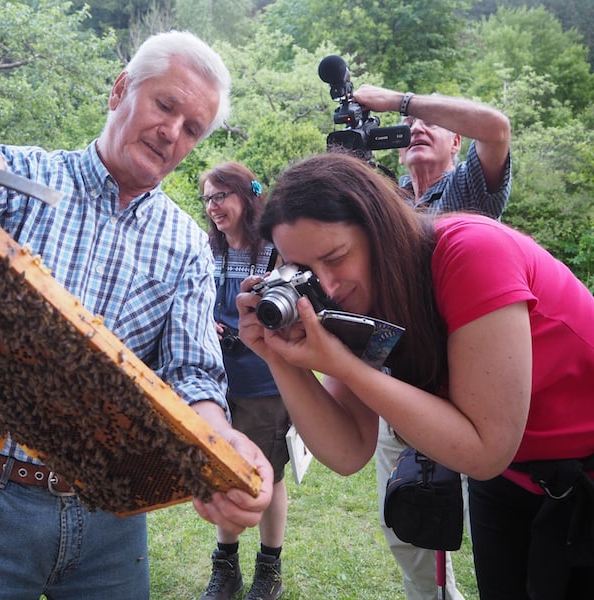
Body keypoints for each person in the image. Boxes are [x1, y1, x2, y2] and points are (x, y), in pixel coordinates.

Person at [0, 30, 273, 600]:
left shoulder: (187, 243)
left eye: (192, 128)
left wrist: (217, 445)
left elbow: (193, 370)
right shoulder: (15, 175)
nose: (173, 132)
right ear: (121, 91)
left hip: (110, 519)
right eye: (165, 105)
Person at [236, 150, 594, 599]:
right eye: (305, 270)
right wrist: (278, 358)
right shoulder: (357, 296)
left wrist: (343, 364)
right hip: (517, 479)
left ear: (379, 228)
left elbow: (486, 449)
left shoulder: (471, 252)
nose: (325, 286)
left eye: (336, 256)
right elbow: (347, 452)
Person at [352, 84, 512, 600]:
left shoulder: (468, 191)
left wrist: (401, 103)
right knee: (405, 525)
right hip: (399, 392)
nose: (418, 130)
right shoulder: (389, 201)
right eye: (410, 131)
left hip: (468, 400)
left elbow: (496, 129)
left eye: (432, 126)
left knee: (485, 537)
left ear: (454, 142)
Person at [197, 162, 286, 600]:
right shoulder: (204, 249)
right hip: (213, 386)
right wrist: (206, 322)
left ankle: (269, 567)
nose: (213, 207)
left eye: (220, 196)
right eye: (208, 199)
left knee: (271, 474)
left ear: (245, 196)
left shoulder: (274, 251)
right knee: (220, 472)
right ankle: (225, 566)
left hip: (264, 383)